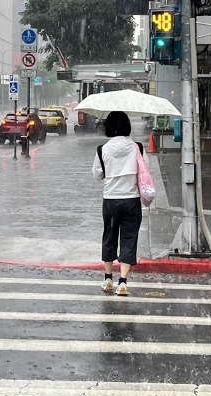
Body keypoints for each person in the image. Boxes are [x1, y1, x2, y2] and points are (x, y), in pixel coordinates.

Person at [92, 111, 143, 297]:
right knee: (129, 238)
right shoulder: (137, 147)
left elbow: (97, 175)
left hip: (111, 200)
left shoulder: (102, 149)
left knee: (109, 236)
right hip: (131, 199)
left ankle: (107, 279)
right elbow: (142, 172)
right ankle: (123, 282)